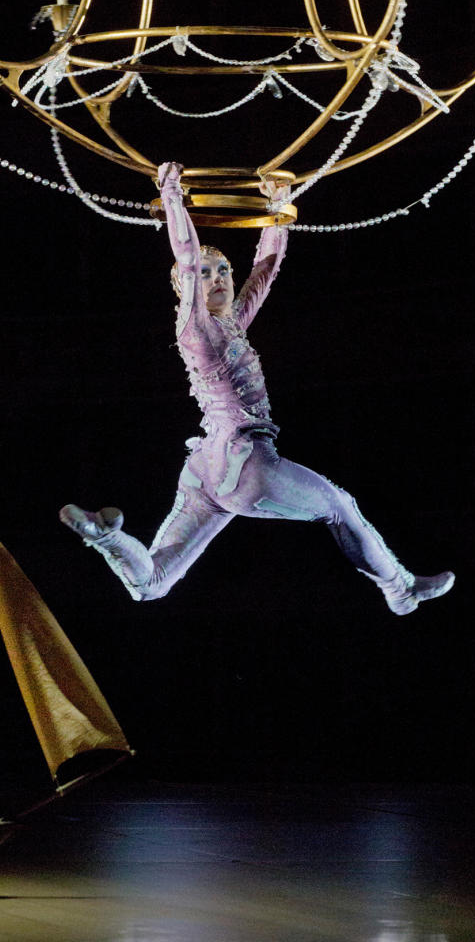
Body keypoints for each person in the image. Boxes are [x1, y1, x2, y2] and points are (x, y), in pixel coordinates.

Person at [60, 161, 453, 614]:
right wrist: (172, 195)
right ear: (184, 290)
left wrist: (278, 208)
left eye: (223, 269)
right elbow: (186, 262)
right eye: (207, 274)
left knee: (152, 585)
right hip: (246, 466)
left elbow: (266, 268)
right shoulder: (195, 329)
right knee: (340, 508)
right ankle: (401, 591)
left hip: (208, 469)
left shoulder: (233, 324)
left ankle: (106, 536)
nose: (218, 277)